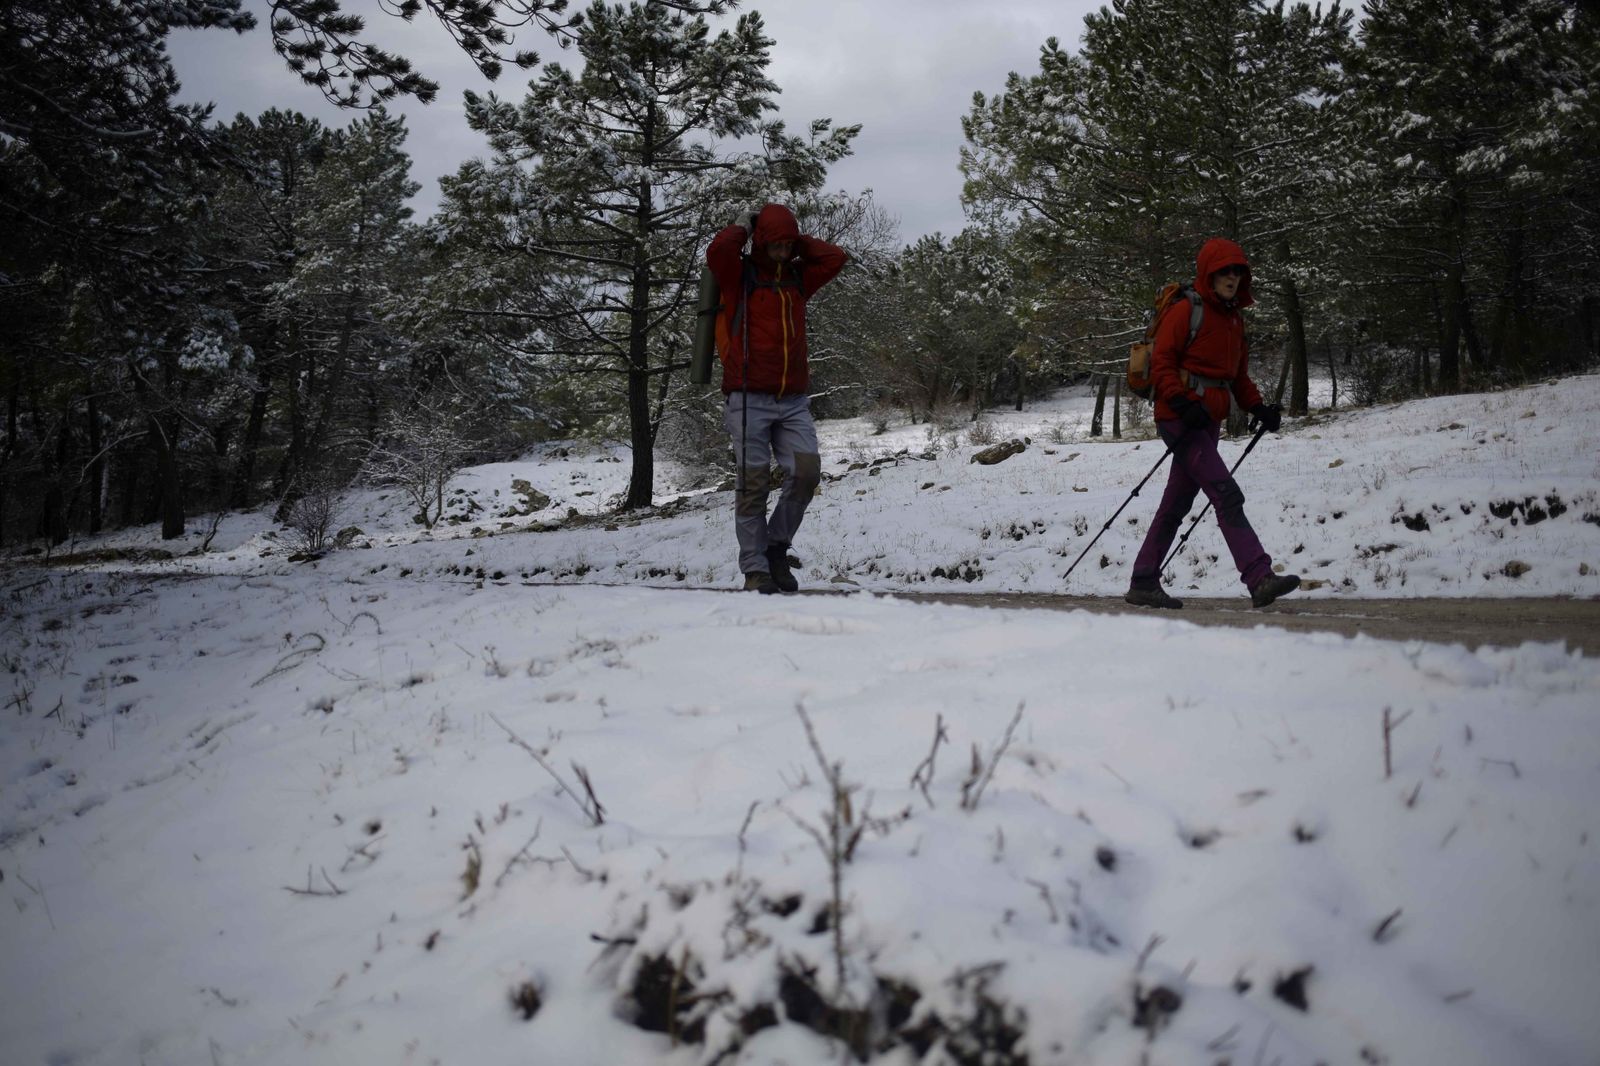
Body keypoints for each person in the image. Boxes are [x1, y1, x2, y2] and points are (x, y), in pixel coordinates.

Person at [1125, 237, 1300, 610]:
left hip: (1207, 422)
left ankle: (1143, 580)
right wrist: (1180, 402)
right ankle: (1258, 576)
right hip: (1179, 419)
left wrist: (1259, 408)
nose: (1232, 277)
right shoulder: (1187, 309)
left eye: (1238, 271)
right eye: (1224, 270)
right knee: (1226, 493)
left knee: (1177, 502)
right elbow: (1163, 363)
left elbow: (1237, 377)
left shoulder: (1234, 319)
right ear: (1209, 272)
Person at [707, 203, 847, 594]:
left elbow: (836, 258)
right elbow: (717, 254)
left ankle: (775, 547)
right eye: (777, 245)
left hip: (793, 400)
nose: (784, 252)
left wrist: (793, 235)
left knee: (806, 473)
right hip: (748, 399)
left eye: (789, 245)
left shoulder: (799, 278)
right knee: (753, 486)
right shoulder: (741, 275)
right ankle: (755, 570)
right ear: (762, 242)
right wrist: (743, 228)